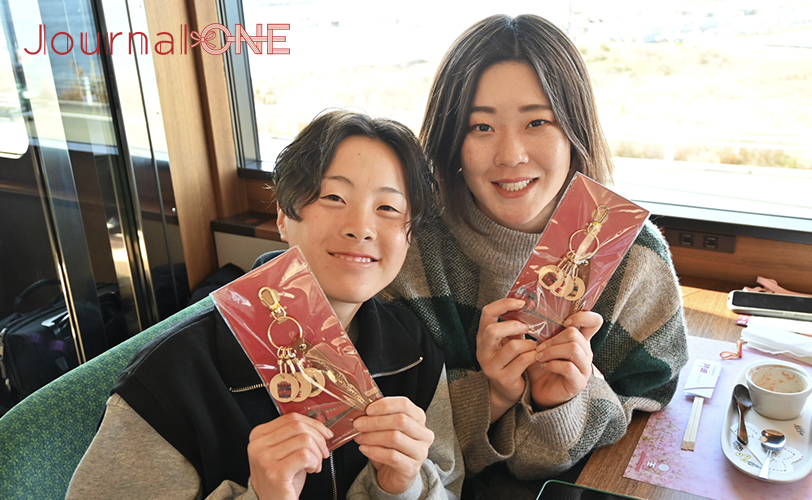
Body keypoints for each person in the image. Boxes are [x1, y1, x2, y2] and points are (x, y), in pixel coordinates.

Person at [67, 110, 463, 500]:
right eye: (333, 197)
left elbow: (449, 486)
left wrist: (402, 487)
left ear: (410, 236)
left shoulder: (413, 350)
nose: (360, 226)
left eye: (388, 208)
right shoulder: (169, 382)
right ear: (282, 217)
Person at [383, 14, 688, 499]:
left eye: (537, 121)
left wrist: (562, 402)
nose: (510, 154)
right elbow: (393, 446)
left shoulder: (633, 257)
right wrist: (492, 395)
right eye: (481, 125)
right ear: (450, 140)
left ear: (575, 129)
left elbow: (650, 409)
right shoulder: (408, 256)